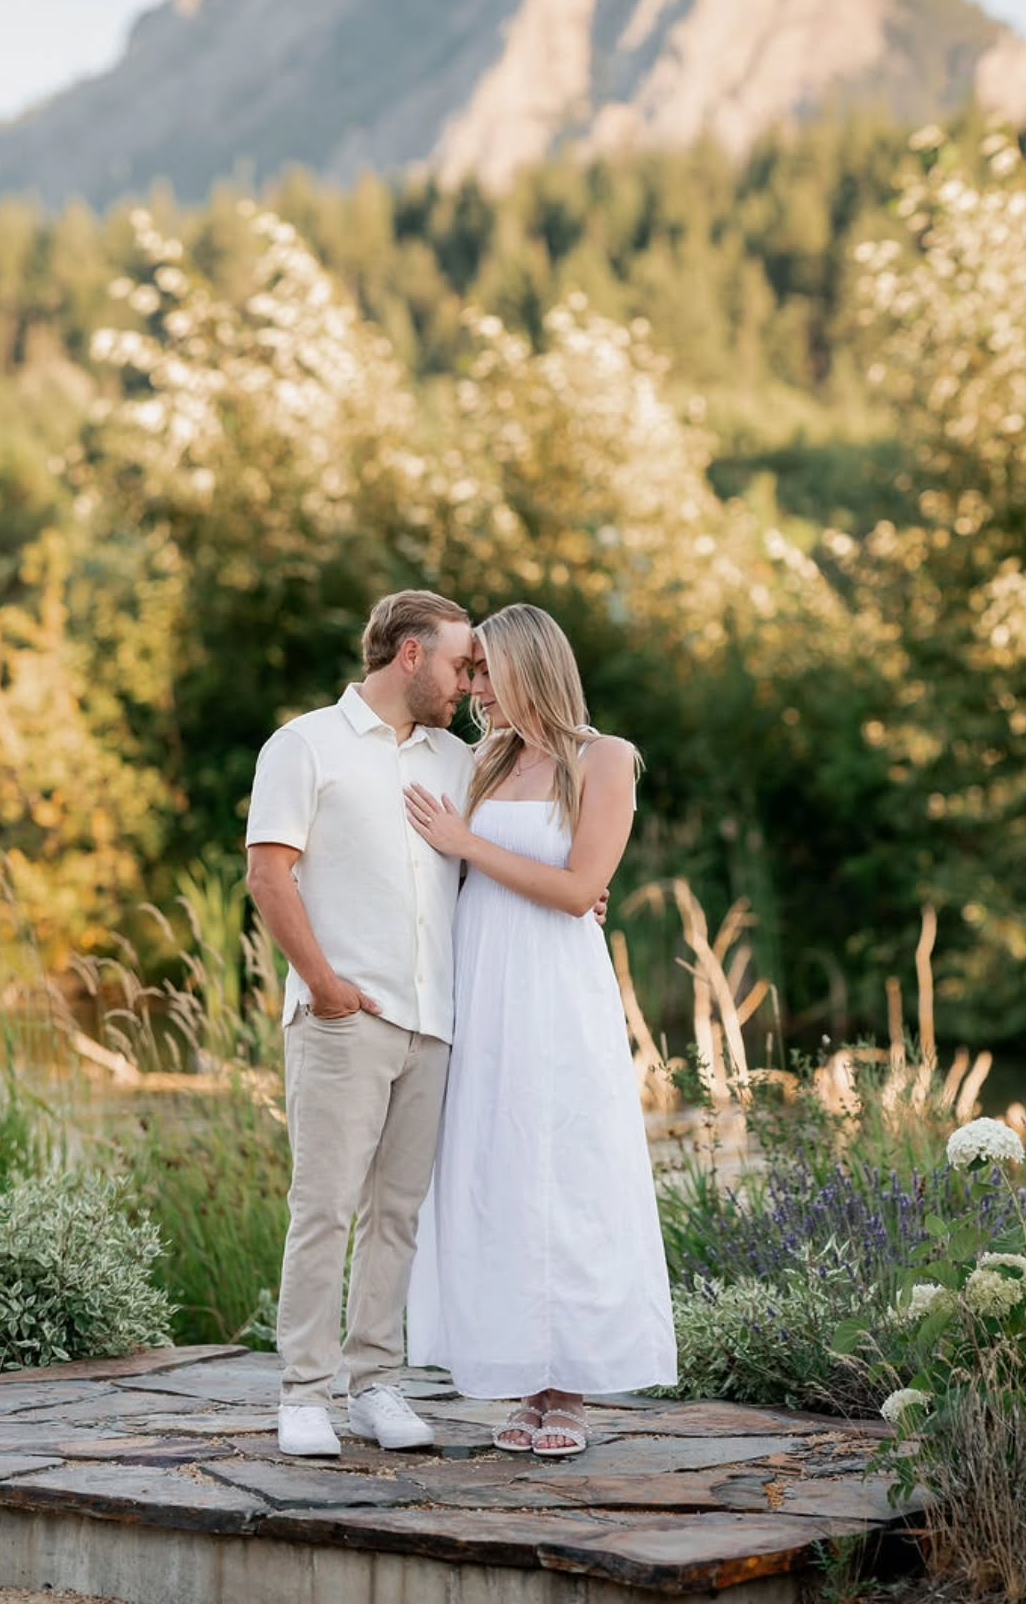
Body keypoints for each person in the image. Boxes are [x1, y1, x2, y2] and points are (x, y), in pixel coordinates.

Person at [404, 603, 677, 1455]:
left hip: (556, 989)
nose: (474, 687)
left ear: (528, 666)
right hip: (482, 983)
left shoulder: (604, 758)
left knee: (567, 1171)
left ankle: (572, 1391)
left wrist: (468, 844)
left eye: (485, 670)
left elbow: (578, 890)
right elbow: (450, 873)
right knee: (500, 1170)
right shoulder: (483, 759)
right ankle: (525, 1381)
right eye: (470, 671)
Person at [246, 589, 476, 1457]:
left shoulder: (458, 761)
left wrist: (583, 887)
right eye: (460, 665)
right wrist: (325, 987)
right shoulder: (305, 744)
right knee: (325, 1208)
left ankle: (375, 1384)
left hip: (433, 1022)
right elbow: (269, 874)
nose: (468, 684)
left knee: (398, 1216)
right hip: (346, 1020)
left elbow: (492, 861)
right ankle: (304, 1394)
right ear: (410, 654)